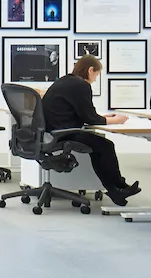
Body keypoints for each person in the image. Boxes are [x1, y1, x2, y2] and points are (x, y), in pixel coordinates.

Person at [41, 56, 142, 206]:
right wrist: (116, 120)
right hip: (65, 133)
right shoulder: (81, 85)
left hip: (54, 131)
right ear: (90, 70)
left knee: (98, 146)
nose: (95, 80)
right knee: (105, 146)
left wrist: (102, 117)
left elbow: (83, 113)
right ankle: (117, 187)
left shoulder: (66, 81)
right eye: (96, 75)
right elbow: (91, 119)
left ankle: (116, 188)